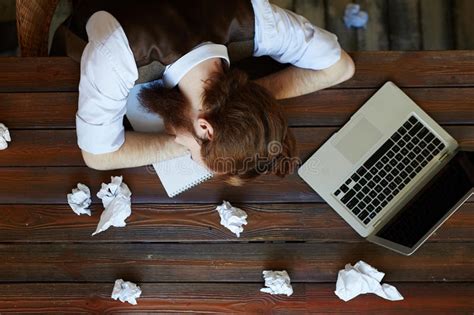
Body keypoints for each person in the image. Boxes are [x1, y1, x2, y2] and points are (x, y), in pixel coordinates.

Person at [71, 0, 354, 185]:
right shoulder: (115, 55)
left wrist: (246, 103)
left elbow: (341, 68)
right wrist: (182, 146)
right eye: (192, 156)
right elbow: (98, 156)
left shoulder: (255, 17)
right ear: (205, 127)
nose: (185, 150)